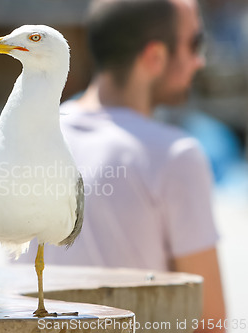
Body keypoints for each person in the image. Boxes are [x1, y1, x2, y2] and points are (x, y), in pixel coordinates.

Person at [17, 0, 226, 331]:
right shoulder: (175, 156)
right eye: (194, 44)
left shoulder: (26, 139)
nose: (200, 61)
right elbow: (209, 321)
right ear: (155, 57)